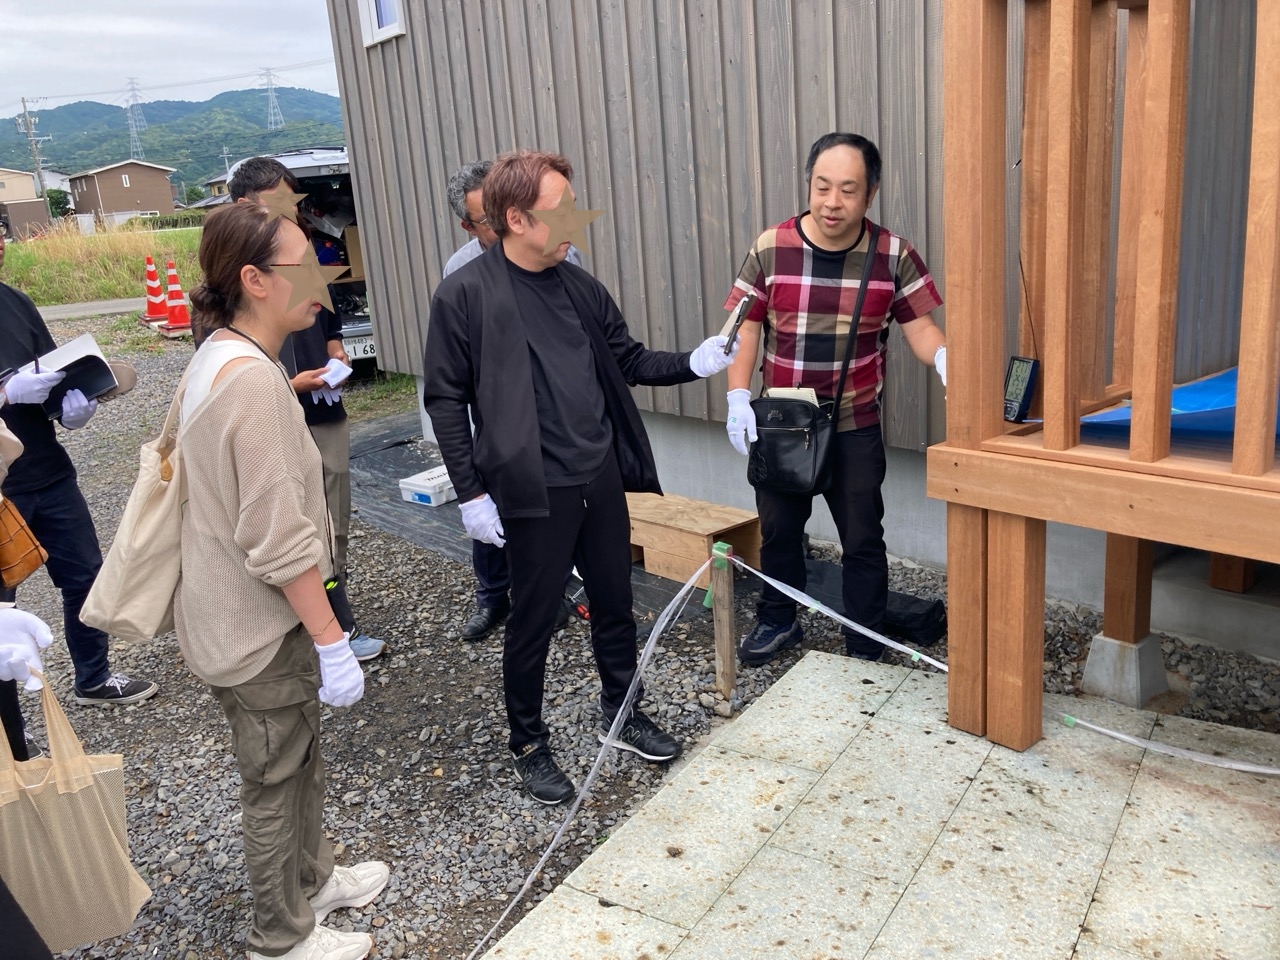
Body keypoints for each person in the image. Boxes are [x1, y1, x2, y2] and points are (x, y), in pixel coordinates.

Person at [423, 149, 738, 805]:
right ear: (515, 218)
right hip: (532, 487)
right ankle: (528, 743)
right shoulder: (466, 294)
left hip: (598, 474)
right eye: (560, 209)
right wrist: (471, 493)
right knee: (534, 618)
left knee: (614, 602)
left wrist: (696, 362)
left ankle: (622, 712)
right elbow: (446, 399)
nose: (575, 221)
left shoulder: (579, 286)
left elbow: (628, 359)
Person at [181, 202, 388, 960]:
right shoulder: (253, 384)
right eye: (303, 265)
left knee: (298, 756)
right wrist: (333, 641)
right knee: (274, 778)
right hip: (254, 628)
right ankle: (282, 937)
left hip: (239, 614)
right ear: (254, 280)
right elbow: (278, 540)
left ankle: (315, 878)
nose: (322, 280)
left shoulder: (222, 354)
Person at [723, 132, 947, 666]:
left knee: (863, 539)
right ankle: (778, 619)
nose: (832, 202)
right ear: (809, 184)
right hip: (782, 423)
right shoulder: (771, 246)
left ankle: (865, 639)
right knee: (778, 532)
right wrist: (737, 395)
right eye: (822, 187)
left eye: (848, 190)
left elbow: (921, 327)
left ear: (870, 193)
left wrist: (945, 359)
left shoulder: (892, 254)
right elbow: (745, 327)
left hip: (854, 424)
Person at [228, 157, 386, 662]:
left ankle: (339, 623)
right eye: (275, 199)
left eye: (289, 198)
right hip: (275, 413)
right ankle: (298, 631)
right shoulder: (229, 277)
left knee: (332, 518)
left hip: (323, 408)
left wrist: (337, 348)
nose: (287, 209)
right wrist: (287, 383)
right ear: (243, 205)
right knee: (284, 524)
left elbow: (328, 312)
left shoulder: (301, 253)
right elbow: (226, 365)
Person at [0, 230, 159, 706]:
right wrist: (5, 394)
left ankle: (93, 677)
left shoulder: (15, 302)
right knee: (2, 609)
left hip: (48, 470)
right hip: (2, 487)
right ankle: (9, 724)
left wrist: (71, 409)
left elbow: (52, 373)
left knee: (86, 577)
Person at [443, 159, 581, 641]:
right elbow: (453, 373)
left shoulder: (563, 254)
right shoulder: (460, 274)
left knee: (550, 510)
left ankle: (549, 588)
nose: (501, 222)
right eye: (487, 218)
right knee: (494, 506)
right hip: (498, 415)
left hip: (555, 412)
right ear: (468, 226)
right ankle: (491, 596)